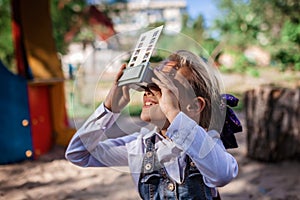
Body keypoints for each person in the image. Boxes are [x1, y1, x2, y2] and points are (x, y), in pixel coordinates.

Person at [65, 50, 242, 200]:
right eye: (150, 84)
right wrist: (109, 108)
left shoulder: (206, 142)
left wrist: (173, 113)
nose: (150, 90)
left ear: (195, 106)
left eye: (165, 86)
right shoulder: (140, 148)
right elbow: (78, 153)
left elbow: (222, 175)